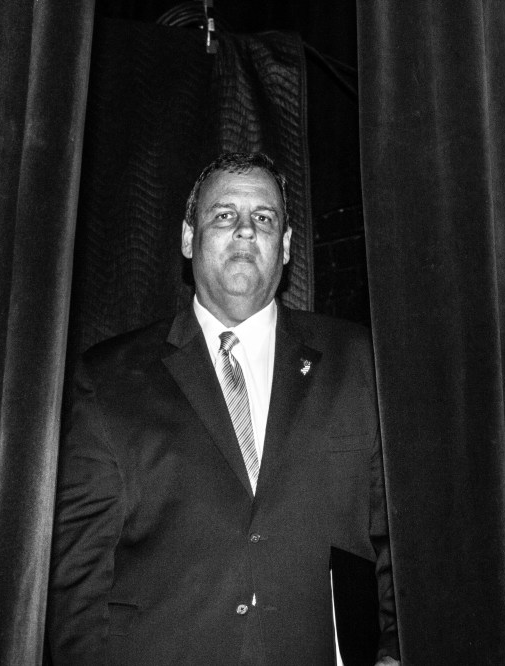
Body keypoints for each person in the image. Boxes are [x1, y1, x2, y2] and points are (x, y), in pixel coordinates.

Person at [48, 152, 400, 665]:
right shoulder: (109, 377)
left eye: (263, 218)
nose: (244, 231)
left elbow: (397, 539)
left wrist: (392, 654)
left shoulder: (357, 361)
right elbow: (78, 578)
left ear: (284, 246)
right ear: (188, 239)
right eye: (223, 215)